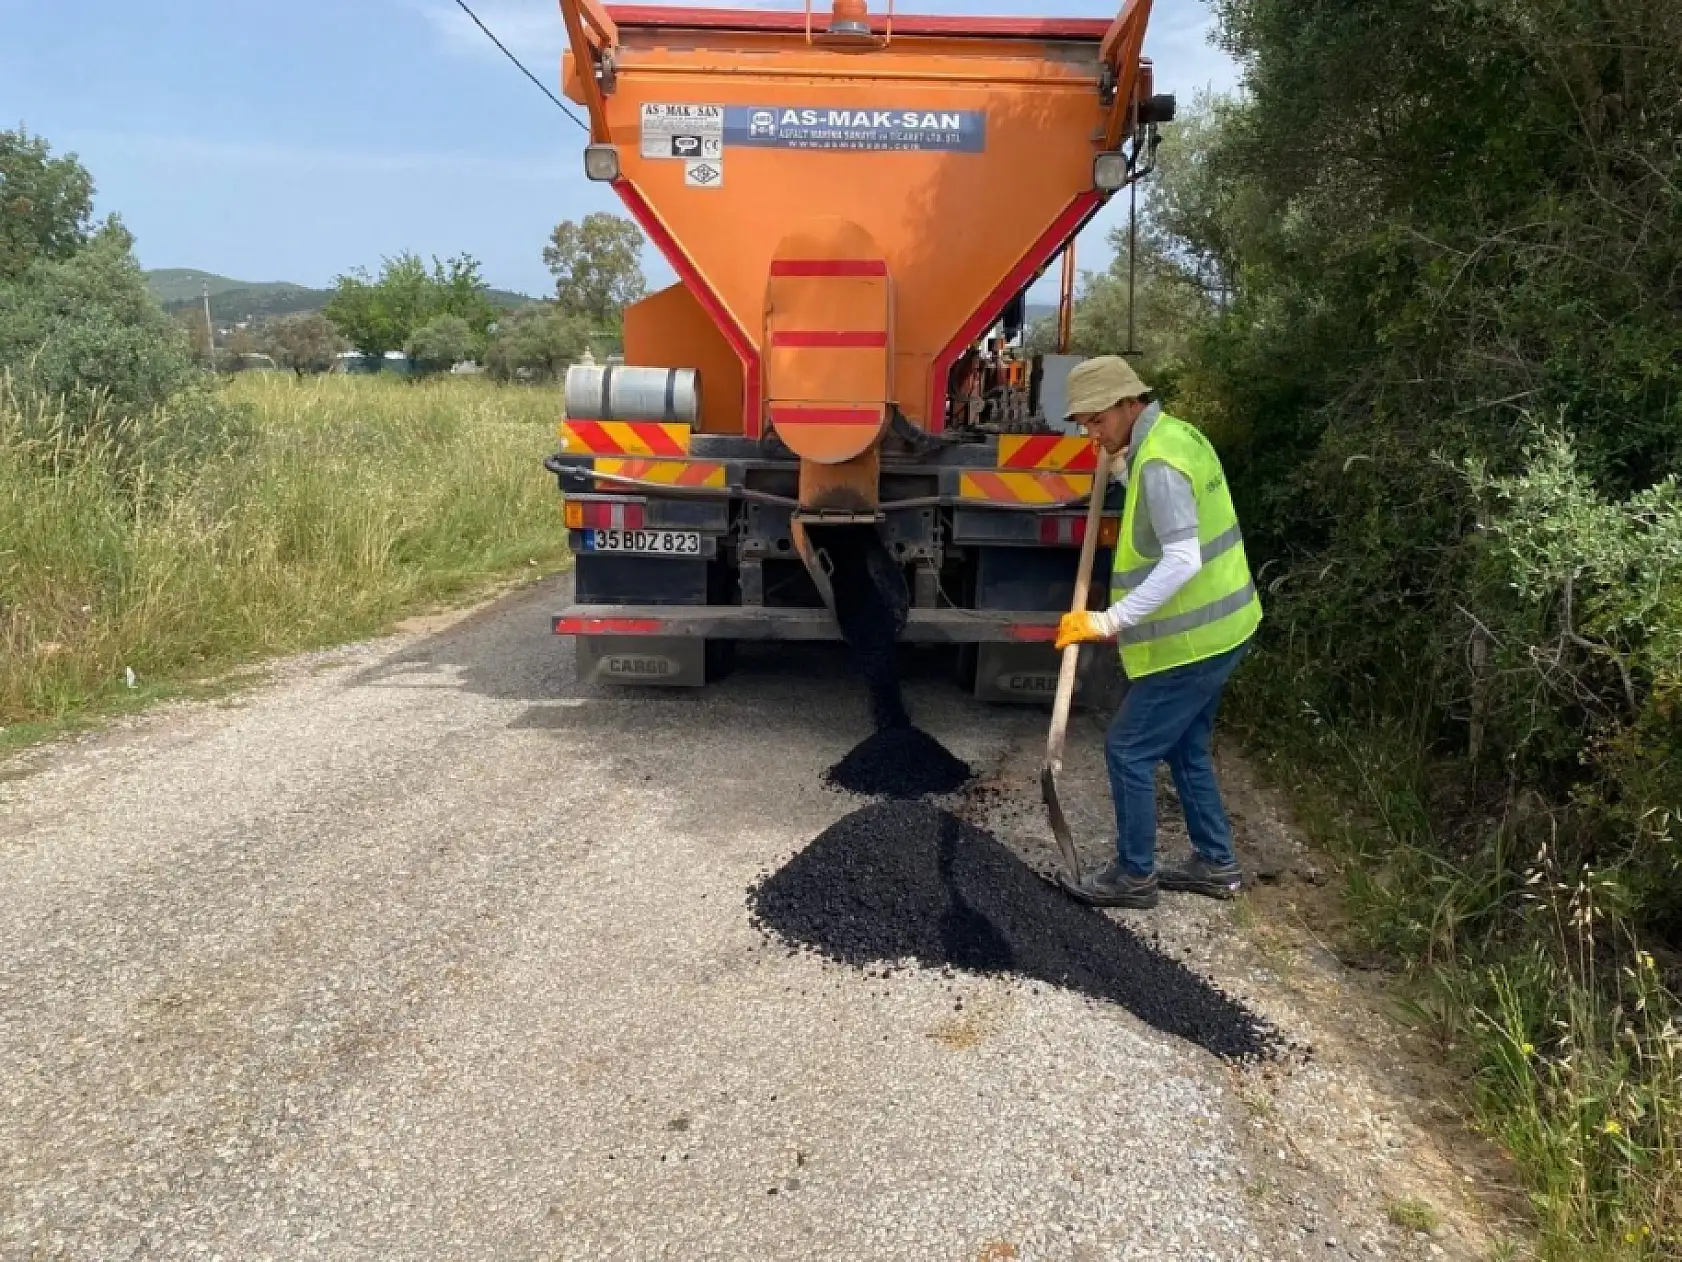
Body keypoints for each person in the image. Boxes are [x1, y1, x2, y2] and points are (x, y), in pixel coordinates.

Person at [1054, 356, 1262, 909]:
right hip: (1226, 626)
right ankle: (1216, 864)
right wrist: (1119, 463)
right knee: (1186, 745)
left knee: (1129, 748)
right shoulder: (1175, 436)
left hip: (1195, 640)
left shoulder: (1159, 463)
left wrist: (1107, 621)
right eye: (1085, 424)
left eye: (1098, 420)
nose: (1092, 434)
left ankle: (1134, 875)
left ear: (1130, 404)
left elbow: (1181, 558)